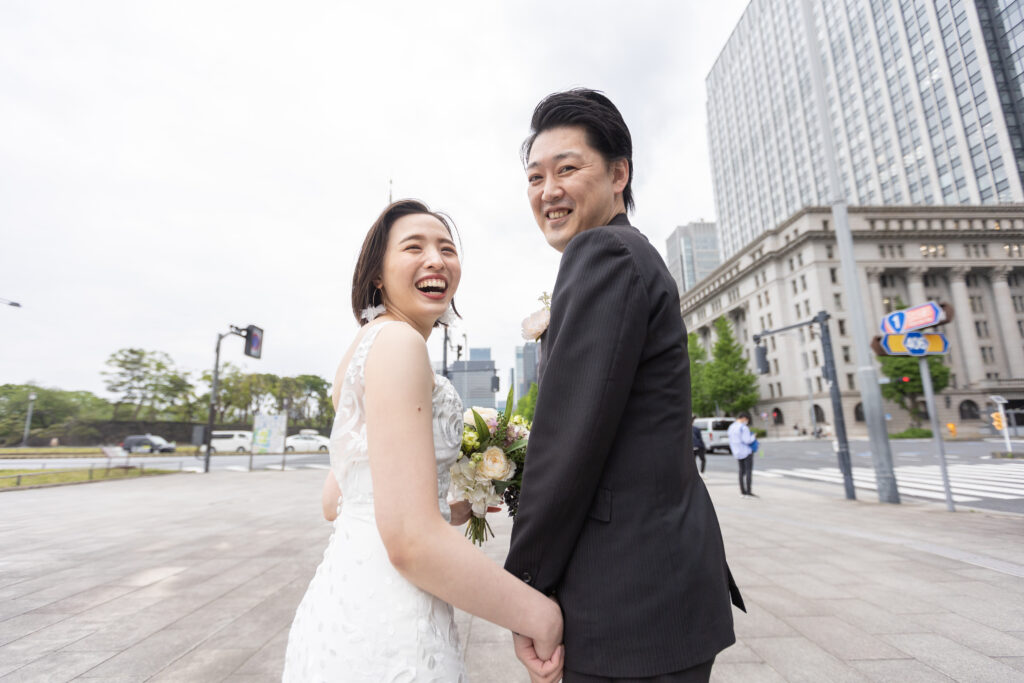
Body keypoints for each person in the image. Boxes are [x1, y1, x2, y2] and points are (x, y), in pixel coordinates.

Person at [504, 89, 744, 683]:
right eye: (535, 176)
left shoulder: (604, 252)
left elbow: (568, 442)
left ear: (619, 173)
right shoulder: (629, 254)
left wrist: (521, 590)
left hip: (627, 600)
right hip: (659, 591)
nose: (548, 191)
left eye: (567, 169)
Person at [282, 200, 564, 682]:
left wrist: (446, 506)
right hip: (387, 623)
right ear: (377, 274)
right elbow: (410, 541)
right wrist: (540, 616)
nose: (436, 259)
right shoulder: (399, 344)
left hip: (341, 607)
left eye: (447, 249)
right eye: (414, 247)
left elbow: (338, 499)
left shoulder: (363, 348)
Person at [727, 412, 757, 498]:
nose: (747, 421)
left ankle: (742, 492)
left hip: (737, 452)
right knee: (748, 471)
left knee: (741, 471)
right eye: (747, 420)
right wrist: (753, 436)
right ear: (744, 418)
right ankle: (748, 492)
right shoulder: (743, 428)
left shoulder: (731, 427)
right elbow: (747, 440)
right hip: (746, 451)